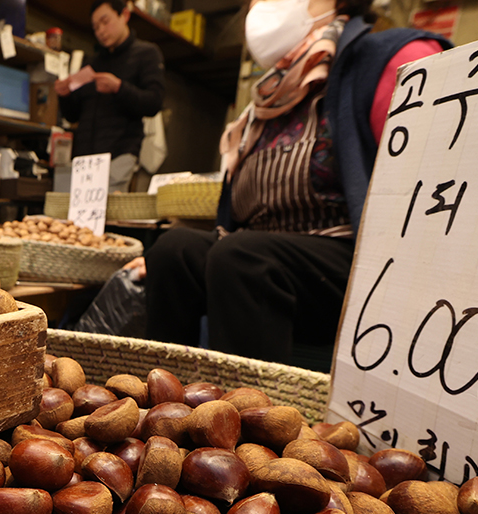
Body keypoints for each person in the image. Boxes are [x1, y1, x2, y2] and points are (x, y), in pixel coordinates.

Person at [132, 0, 448, 365]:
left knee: (241, 256)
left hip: (349, 264)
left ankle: (250, 415)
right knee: (174, 250)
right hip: (256, 258)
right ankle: (164, 402)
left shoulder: (392, 58)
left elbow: (429, 192)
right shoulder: (270, 95)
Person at [55, 0, 166, 193]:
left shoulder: (147, 54)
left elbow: (154, 102)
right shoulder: (92, 63)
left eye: (105, 22)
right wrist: (64, 96)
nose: (100, 31)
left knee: (107, 217)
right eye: (95, 27)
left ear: (124, 15)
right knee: (76, 220)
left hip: (119, 156)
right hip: (84, 161)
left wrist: (119, 87)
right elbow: (73, 116)